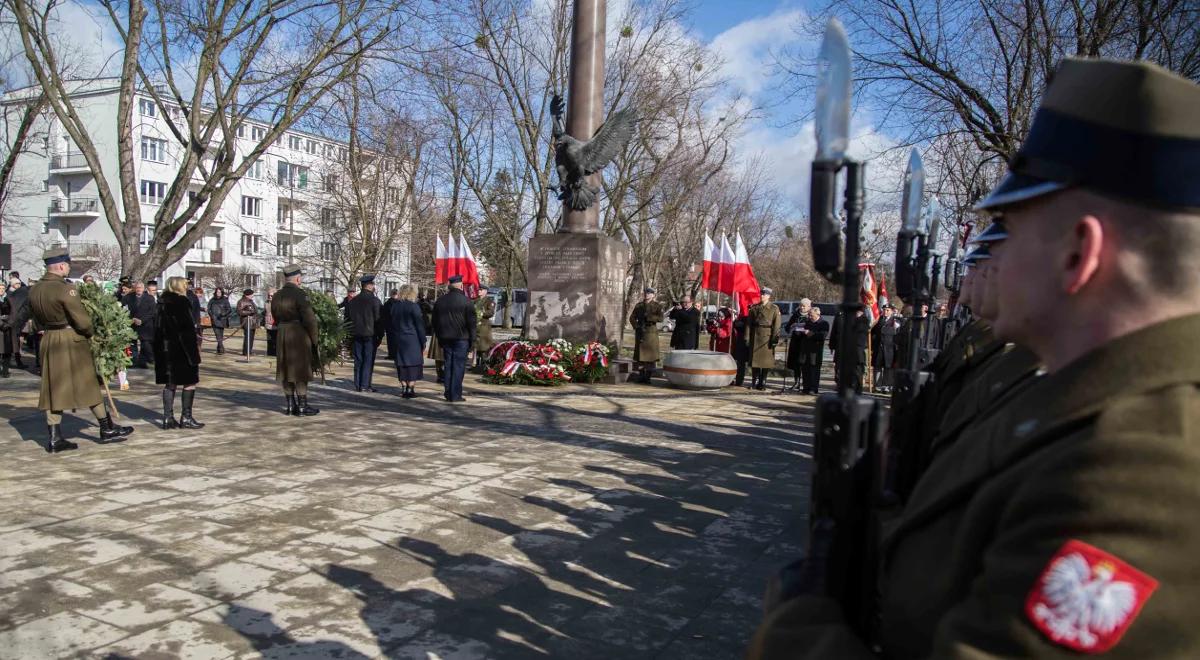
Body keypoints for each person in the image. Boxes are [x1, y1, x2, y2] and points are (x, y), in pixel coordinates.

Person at [750, 57, 1200, 659]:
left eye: (1011, 228)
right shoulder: (1080, 407)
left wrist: (794, 630)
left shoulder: (1142, 471)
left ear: (1078, 253)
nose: (992, 262)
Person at [29, 248, 134, 453]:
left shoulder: (35, 289)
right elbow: (83, 321)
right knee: (88, 383)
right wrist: (92, 332)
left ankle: (54, 438)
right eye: (68, 265)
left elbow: (36, 321)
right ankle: (106, 428)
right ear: (61, 265)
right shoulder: (66, 289)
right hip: (70, 339)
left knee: (53, 387)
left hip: (49, 339)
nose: (68, 268)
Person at [153, 276, 204, 430]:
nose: (186, 287)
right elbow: (186, 331)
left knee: (170, 383)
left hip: (165, 349)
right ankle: (186, 417)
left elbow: (157, 328)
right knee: (190, 382)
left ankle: (167, 418)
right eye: (184, 285)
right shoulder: (181, 302)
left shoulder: (161, 303)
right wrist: (193, 355)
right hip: (181, 349)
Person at [271, 264, 319, 416]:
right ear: (298, 278)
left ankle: (290, 405)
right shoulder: (300, 294)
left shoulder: (277, 295)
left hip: (282, 333)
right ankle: (303, 406)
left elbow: (275, 316)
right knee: (300, 370)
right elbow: (310, 319)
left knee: (285, 369)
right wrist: (314, 339)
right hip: (298, 334)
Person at [431, 275, 476, 403]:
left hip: (446, 338)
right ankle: (455, 394)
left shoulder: (440, 301)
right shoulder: (466, 301)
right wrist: (472, 342)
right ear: (461, 285)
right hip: (461, 339)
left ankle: (448, 392)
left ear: (449, 286)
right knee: (458, 367)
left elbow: (434, 322)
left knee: (448, 365)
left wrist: (440, 336)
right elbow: (471, 324)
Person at [347, 274, 383, 392]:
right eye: (372, 284)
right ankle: (365, 385)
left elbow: (348, 319)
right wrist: (380, 335)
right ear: (369, 286)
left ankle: (358, 384)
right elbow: (379, 320)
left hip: (357, 333)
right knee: (368, 360)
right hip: (370, 334)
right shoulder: (374, 301)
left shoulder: (353, 301)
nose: (374, 286)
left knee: (358, 359)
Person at [390, 284, 426, 399]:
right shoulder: (413, 307)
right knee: (413, 364)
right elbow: (419, 325)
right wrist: (423, 340)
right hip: (412, 339)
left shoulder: (395, 306)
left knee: (402, 363)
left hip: (399, 338)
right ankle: (410, 388)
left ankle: (404, 387)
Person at [747, 288, 782, 391]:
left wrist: (774, 339)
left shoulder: (774, 308)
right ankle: (755, 381)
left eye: (764, 294)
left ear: (769, 296)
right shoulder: (754, 308)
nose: (762, 296)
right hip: (755, 336)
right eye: (761, 294)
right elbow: (749, 324)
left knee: (765, 362)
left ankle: (763, 382)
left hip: (767, 337)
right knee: (755, 361)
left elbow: (777, 325)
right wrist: (746, 337)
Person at [628, 287, 664, 383]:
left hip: (651, 333)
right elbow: (632, 318)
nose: (647, 294)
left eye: (649, 293)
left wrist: (649, 317)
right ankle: (641, 375)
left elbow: (661, 318)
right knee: (640, 357)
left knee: (650, 357)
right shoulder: (639, 305)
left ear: (653, 295)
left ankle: (648, 377)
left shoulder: (657, 306)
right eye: (645, 293)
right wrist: (636, 326)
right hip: (640, 332)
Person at [122, 281, 157, 368]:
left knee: (145, 344)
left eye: (140, 288)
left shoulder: (150, 298)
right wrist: (131, 319)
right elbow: (123, 310)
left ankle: (143, 362)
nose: (138, 290)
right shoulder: (128, 298)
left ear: (144, 289)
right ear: (134, 289)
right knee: (132, 344)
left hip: (145, 325)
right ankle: (133, 362)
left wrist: (141, 320)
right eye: (137, 288)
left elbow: (152, 312)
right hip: (132, 324)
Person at [2, 272, 30, 374]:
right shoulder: (9, 295)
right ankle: (8, 366)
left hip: (14, 322)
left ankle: (15, 362)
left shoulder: (20, 293)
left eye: (19, 284)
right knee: (8, 344)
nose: (18, 285)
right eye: (16, 284)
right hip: (9, 323)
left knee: (13, 343)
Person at [871, 304, 902, 392]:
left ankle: (887, 386)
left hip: (890, 349)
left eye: (888, 310)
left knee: (888, 368)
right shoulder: (878, 320)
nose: (885, 312)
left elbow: (898, 335)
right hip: (879, 348)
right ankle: (877, 386)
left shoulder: (895, 322)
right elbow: (872, 333)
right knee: (877, 367)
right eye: (884, 310)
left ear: (892, 311)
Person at [783, 299, 813, 390]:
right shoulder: (795, 315)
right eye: (801, 305)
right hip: (795, 342)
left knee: (803, 363)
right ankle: (796, 382)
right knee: (796, 363)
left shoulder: (811, 315)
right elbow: (787, 327)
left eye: (804, 306)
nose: (802, 307)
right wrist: (792, 326)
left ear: (809, 307)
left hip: (806, 342)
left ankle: (806, 383)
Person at [799, 306, 829, 394]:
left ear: (817, 314)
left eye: (811, 315)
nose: (809, 316)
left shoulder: (824, 323)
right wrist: (799, 332)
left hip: (815, 351)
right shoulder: (807, 322)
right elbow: (803, 334)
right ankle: (806, 387)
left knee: (814, 370)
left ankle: (813, 388)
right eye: (809, 315)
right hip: (805, 350)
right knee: (805, 369)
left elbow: (822, 336)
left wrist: (810, 333)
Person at [206, 287, 231, 354]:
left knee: (220, 335)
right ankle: (221, 348)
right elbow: (209, 309)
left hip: (222, 319)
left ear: (222, 292)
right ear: (215, 292)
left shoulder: (225, 300)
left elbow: (229, 309)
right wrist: (212, 315)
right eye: (217, 292)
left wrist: (223, 314)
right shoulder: (212, 300)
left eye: (219, 292)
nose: (218, 293)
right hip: (214, 319)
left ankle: (218, 349)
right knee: (217, 334)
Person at [475, 294, 496, 368]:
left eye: (481, 289)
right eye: (479, 289)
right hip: (476, 326)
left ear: (485, 291)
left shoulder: (489, 301)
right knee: (477, 346)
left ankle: (485, 365)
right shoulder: (476, 300)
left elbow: (491, 312)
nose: (479, 291)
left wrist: (482, 313)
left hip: (484, 327)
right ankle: (477, 364)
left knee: (484, 346)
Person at [236, 289, 259, 356]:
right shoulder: (241, 301)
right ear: (247, 295)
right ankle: (246, 351)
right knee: (247, 337)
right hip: (246, 322)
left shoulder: (251, 301)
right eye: (252, 294)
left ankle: (249, 351)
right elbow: (239, 312)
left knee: (251, 338)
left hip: (253, 322)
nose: (253, 295)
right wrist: (250, 312)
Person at [382, 288, 401, 360]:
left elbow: (383, 315)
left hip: (389, 325)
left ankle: (391, 354)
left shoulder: (387, 303)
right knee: (396, 341)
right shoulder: (399, 303)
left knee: (390, 341)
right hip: (396, 325)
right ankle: (395, 354)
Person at [265, 287, 277, 357]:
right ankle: (269, 353)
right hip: (268, 324)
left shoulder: (277, 303)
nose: (270, 297)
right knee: (269, 339)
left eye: (271, 295)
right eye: (269, 295)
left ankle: (275, 353)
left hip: (275, 324)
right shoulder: (266, 303)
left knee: (275, 339)